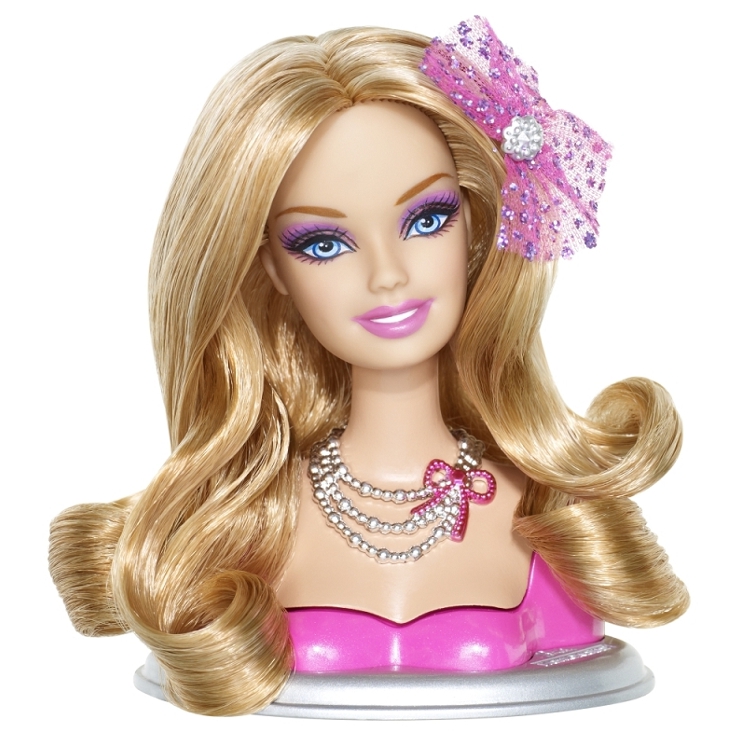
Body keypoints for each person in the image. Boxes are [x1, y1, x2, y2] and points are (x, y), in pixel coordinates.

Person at [49, 18, 688, 716]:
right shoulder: (241, 527)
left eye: (426, 219)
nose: (387, 275)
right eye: (324, 243)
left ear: (477, 225)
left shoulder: (546, 523)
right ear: (272, 269)